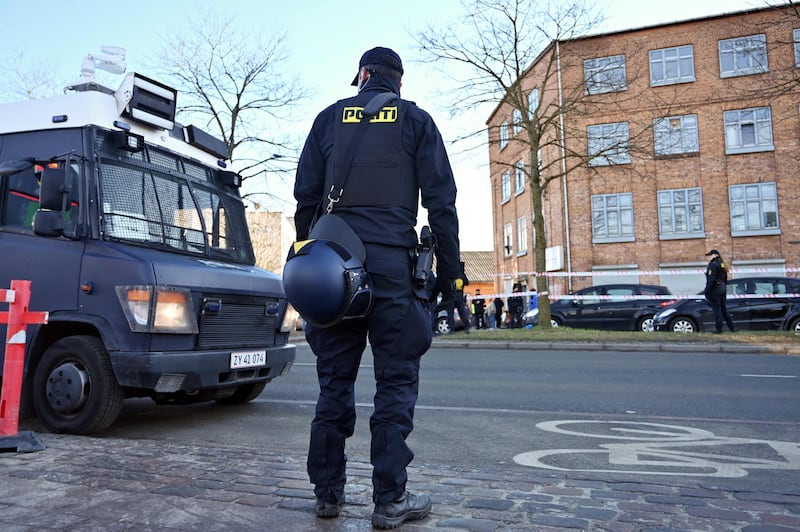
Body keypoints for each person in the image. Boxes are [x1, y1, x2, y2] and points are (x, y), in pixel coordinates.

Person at [293, 46, 461, 529]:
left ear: (362, 76)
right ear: (398, 83)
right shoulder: (415, 120)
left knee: (334, 384)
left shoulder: (327, 120)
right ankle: (390, 499)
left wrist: (316, 253)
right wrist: (451, 275)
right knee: (394, 384)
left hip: (336, 271)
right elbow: (441, 204)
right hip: (394, 270)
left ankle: (327, 494)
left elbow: (305, 199)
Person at [704, 249, 735, 333]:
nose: (709, 258)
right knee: (723, 309)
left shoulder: (713, 265)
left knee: (717, 309)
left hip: (716, 289)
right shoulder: (722, 264)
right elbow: (725, 278)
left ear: (715, 255)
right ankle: (732, 328)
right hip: (722, 288)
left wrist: (707, 291)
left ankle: (719, 329)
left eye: (710, 255)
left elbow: (711, 279)